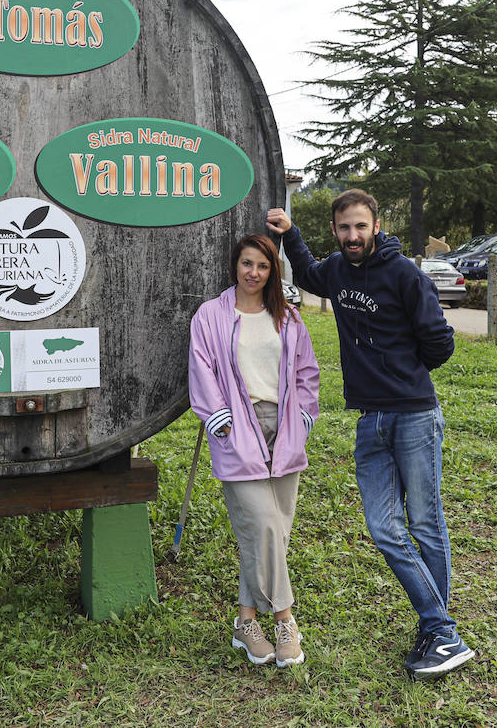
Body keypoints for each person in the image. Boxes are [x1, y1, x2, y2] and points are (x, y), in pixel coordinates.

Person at [266, 191, 474, 679]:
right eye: (344, 228)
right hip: (369, 420)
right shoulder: (337, 271)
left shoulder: (405, 275)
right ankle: (441, 628)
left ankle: (437, 630)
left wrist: (399, 372)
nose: (353, 236)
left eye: (361, 227)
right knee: (384, 528)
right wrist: (289, 234)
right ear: (335, 230)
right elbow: (310, 272)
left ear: (375, 225)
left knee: (424, 522)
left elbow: (440, 343)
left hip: (414, 415)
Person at [188, 233, 320, 668]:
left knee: (273, 533)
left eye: (263, 266)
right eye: (247, 264)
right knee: (263, 527)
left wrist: (304, 415)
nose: (254, 273)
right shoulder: (211, 315)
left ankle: (246, 624)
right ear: (235, 266)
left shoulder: (288, 317)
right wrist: (215, 415)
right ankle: (285, 620)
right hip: (236, 429)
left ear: (272, 271)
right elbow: (202, 364)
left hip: (283, 429)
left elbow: (306, 370)